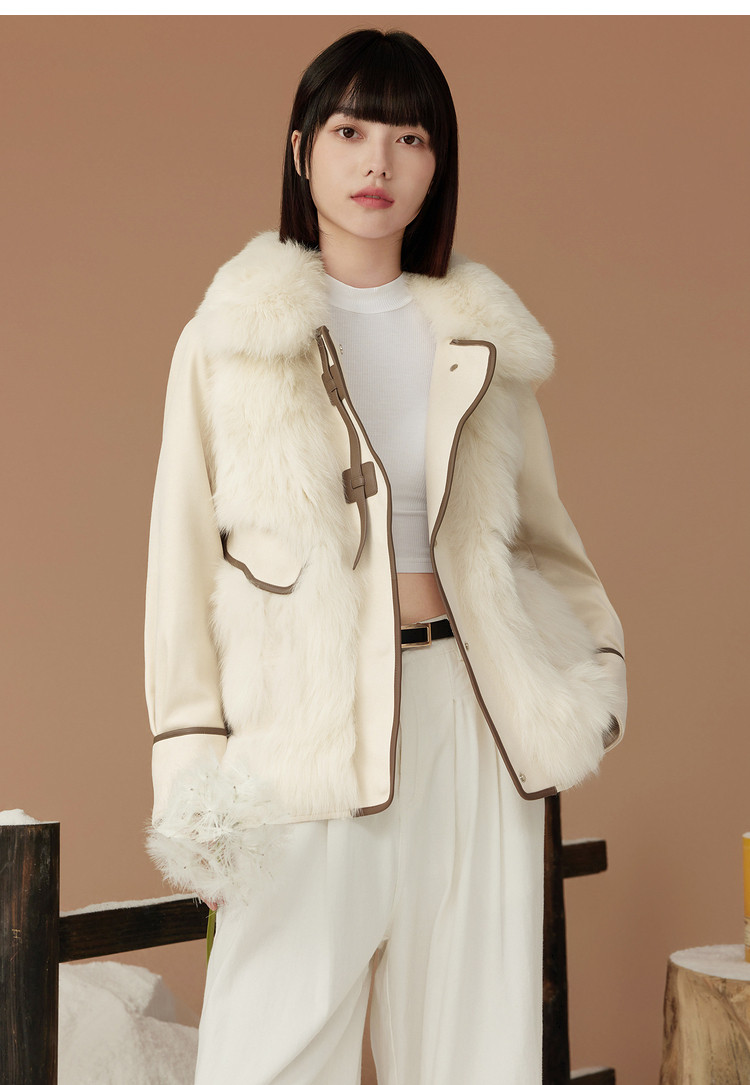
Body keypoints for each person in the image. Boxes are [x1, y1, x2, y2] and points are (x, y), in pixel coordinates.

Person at [145, 28, 626, 1085]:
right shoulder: (227, 340)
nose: (379, 162)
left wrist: (593, 682)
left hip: (469, 724)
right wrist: (194, 784)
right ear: (301, 148)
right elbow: (180, 571)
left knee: (476, 1060)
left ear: (436, 164)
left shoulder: (479, 339)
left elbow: (548, 546)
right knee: (266, 1060)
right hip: (300, 745)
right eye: (352, 131)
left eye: (410, 138)